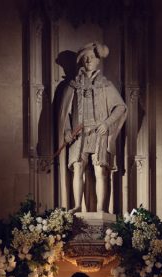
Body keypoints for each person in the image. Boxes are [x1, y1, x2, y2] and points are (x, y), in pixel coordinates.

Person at [57, 42, 127, 213]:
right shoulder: (73, 85)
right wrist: (66, 130)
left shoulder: (105, 85)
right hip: (78, 134)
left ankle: (102, 209)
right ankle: (78, 205)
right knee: (77, 168)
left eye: (92, 57)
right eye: (85, 58)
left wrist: (107, 123)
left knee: (100, 171)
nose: (88, 60)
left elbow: (120, 107)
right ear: (81, 61)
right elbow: (64, 113)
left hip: (99, 133)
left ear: (98, 61)